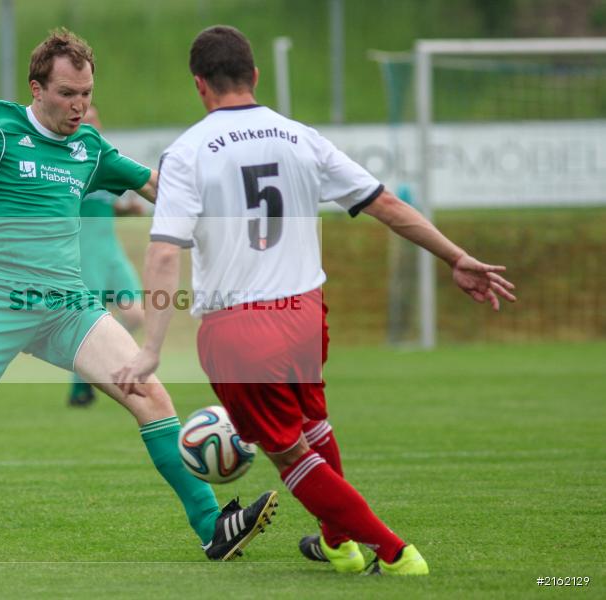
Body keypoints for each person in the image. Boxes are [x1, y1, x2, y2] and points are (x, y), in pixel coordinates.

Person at [0, 28, 276, 561]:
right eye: (68, 93)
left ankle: (214, 526)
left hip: (68, 307)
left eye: (87, 93)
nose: (79, 105)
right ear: (37, 88)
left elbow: (156, 186)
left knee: (151, 394)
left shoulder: (88, 148)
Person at [115, 25, 517, 575]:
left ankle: (394, 552)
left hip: (239, 328)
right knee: (311, 426)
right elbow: (385, 204)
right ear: (254, 76)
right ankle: (337, 542)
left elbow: (164, 253)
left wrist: (152, 347)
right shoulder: (300, 136)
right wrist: (455, 256)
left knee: (289, 454)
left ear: (199, 85)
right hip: (304, 313)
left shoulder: (187, 152)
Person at [68, 104, 146, 407]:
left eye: (94, 117)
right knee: (88, 323)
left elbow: (103, 202)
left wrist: (126, 209)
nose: (90, 122)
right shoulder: (66, 164)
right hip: (85, 252)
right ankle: (81, 386)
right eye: (84, 119)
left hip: (110, 250)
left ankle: (98, 366)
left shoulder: (102, 158)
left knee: (136, 313)